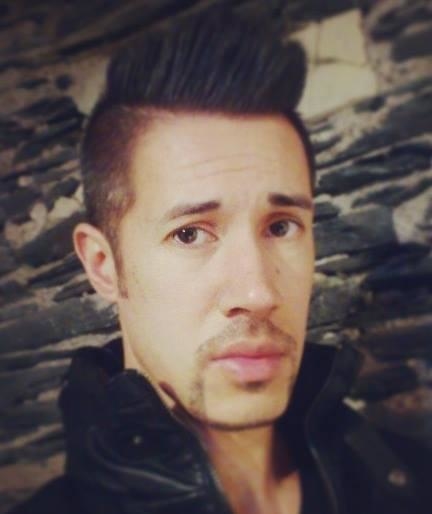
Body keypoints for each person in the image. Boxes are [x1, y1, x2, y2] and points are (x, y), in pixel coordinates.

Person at [8, 9, 431, 514]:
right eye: (189, 234)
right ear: (103, 264)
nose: (259, 293)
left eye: (281, 226)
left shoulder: (408, 482)